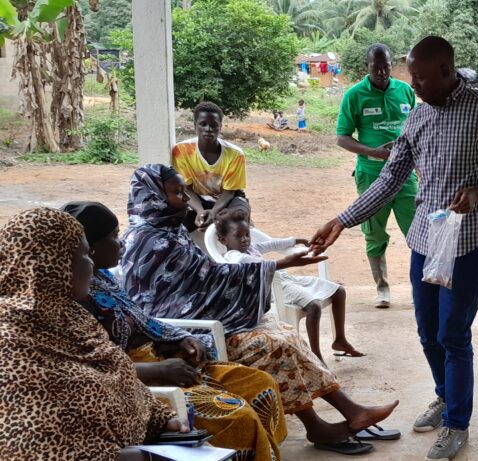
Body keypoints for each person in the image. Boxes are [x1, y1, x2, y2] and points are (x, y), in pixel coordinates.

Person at [311, 36, 478, 460]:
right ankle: (444, 397)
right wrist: (341, 220)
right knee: (427, 331)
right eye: (412, 77)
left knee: (453, 334)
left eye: (421, 77)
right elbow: (389, 179)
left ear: (446, 70)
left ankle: (457, 424)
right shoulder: (418, 116)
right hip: (425, 240)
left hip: (465, 244)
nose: (414, 86)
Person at [118, 164, 400, 455]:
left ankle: (343, 415)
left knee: (285, 335)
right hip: (178, 332)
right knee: (271, 345)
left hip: (196, 317)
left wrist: (278, 264)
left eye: (182, 191)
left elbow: (204, 276)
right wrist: (280, 264)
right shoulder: (146, 240)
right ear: (151, 196)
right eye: (176, 193)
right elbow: (195, 284)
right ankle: (327, 422)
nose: (183, 199)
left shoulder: (170, 229)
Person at [62, 201, 288, 461]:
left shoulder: (104, 278)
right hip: (138, 383)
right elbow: (88, 371)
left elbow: (141, 319)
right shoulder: (71, 303)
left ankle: (266, 454)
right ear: (89, 246)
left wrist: (178, 339)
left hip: (161, 360)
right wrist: (159, 369)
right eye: (113, 237)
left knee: (259, 383)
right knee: (237, 416)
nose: (122, 243)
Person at [0, 207, 186, 461]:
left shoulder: (72, 317)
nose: (91, 262)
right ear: (54, 263)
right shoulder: (10, 342)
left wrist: (162, 420)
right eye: (85, 254)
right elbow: (34, 446)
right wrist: (135, 457)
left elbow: (120, 378)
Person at [214, 208, 362, 361]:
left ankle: (340, 339)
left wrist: (296, 240)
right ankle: (316, 354)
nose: (245, 239)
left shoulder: (251, 248)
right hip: (274, 287)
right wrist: (290, 260)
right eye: (239, 236)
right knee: (314, 306)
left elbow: (271, 244)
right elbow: (261, 264)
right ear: (223, 240)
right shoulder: (234, 257)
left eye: (247, 235)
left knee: (339, 291)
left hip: (285, 279)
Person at [336, 43, 419, 309]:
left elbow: (416, 130)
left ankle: (422, 288)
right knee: (374, 234)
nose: (382, 73)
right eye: (376, 68)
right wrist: (373, 151)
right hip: (371, 175)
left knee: (418, 232)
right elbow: (342, 137)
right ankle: (382, 288)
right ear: (367, 67)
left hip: (406, 176)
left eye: (385, 67)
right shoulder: (354, 95)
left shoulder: (405, 91)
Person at [172, 101, 251, 232]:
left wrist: (214, 212)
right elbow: (186, 188)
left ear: (220, 126)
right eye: (203, 124)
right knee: (174, 224)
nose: (208, 129)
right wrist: (200, 211)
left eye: (214, 125)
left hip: (227, 200)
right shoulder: (182, 151)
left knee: (238, 220)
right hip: (196, 199)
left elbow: (230, 191)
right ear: (195, 126)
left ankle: (238, 251)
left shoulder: (235, 154)